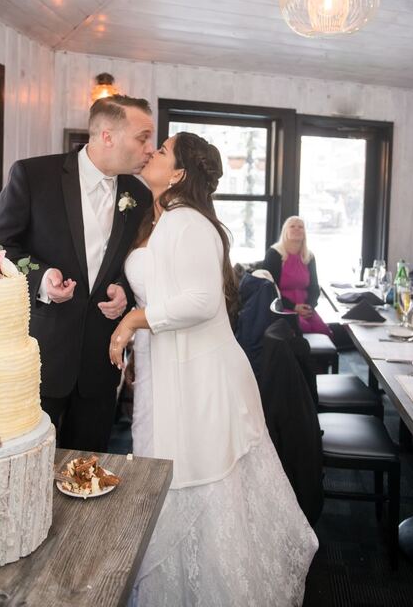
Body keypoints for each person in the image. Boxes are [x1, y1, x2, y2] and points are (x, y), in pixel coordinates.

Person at [109, 133, 318, 606]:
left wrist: (133, 321)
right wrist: (132, 307)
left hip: (199, 376)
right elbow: (162, 286)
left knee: (198, 483)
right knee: (166, 473)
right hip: (167, 368)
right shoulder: (157, 218)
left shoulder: (192, 223)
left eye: (162, 150)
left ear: (180, 173)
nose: (151, 153)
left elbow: (201, 302)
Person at [0, 95, 154, 451]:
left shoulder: (138, 194)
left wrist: (124, 289)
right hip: (41, 355)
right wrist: (42, 278)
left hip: (100, 363)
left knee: (89, 468)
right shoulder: (33, 175)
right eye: (143, 137)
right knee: (25, 459)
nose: (149, 149)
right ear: (107, 136)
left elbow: (135, 261)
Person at [263, 216, 332, 336]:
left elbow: (314, 287)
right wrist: (294, 307)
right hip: (282, 307)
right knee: (303, 328)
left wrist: (310, 306)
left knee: (324, 331)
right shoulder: (273, 254)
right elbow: (270, 290)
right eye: (292, 226)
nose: (297, 229)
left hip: (305, 307)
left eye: (301, 227)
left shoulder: (309, 256)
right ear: (285, 231)